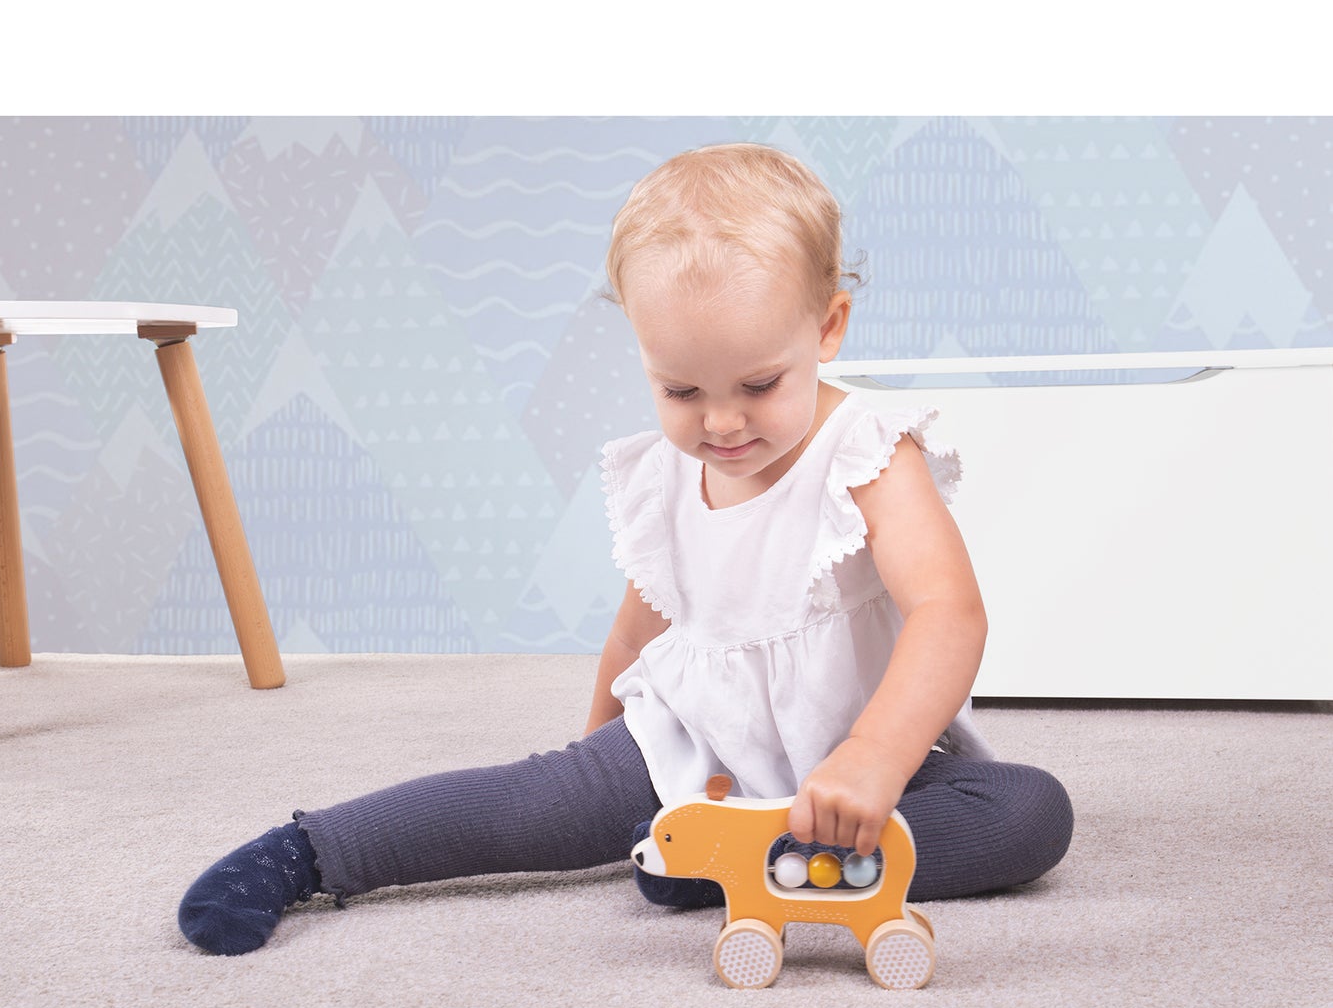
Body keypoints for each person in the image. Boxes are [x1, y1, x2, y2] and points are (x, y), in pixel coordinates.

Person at [177, 142, 1073, 957]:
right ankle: (311, 852)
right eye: (680, 390)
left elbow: (948, 612)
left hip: (855, 768)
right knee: (521, 804)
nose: (721, 422)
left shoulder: (868, 453)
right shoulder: (665, 473)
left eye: (758, 384)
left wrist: (874, 756)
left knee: (1028, 812)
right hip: (690, 745)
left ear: (828, 326)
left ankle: (735, 863)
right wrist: (589, 765)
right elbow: (636, 632)